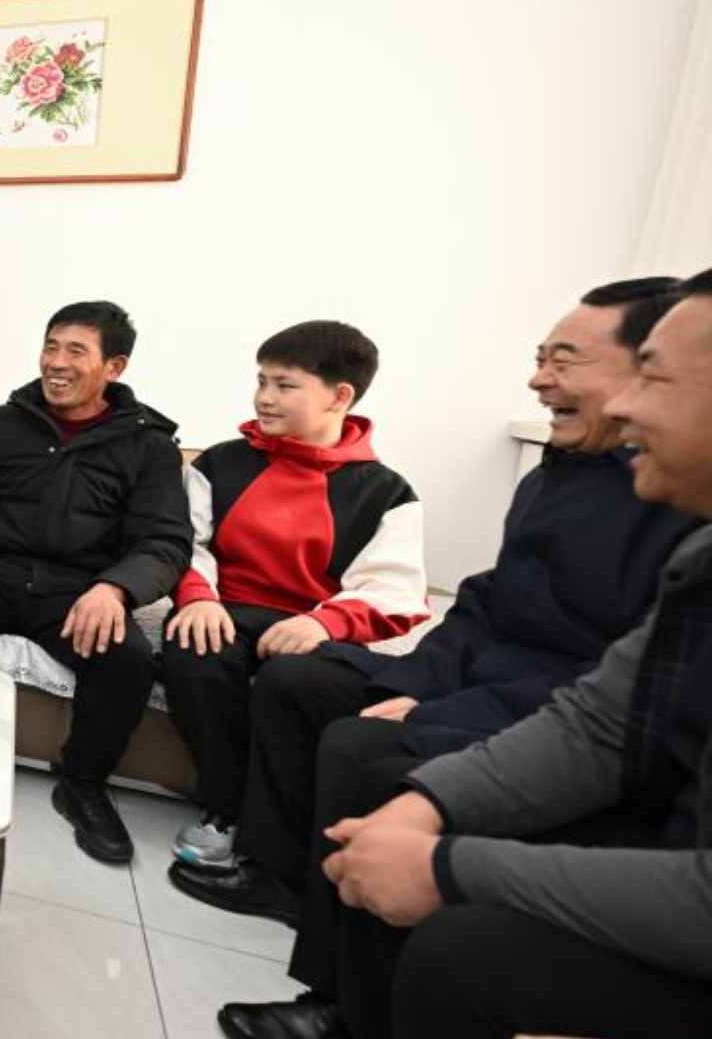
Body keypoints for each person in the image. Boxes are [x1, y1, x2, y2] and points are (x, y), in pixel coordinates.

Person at [218, 269, 712, 1039]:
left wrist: (441, 827)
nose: (538, 380)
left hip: (526, 709)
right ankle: (290, 884)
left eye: (649, 375)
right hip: (483, 684)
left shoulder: (666, 511)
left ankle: (342, 999)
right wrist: (421, 686)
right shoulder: (562, 479)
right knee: (296, 686)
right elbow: (496, 614)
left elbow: (594, 693)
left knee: (367, 756)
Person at [0, 301, 191, 865]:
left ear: (114, 367)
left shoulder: (148, 446)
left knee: (126, 658)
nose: (56, 362)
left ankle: (82, 784)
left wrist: (115, 589)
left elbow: (165, 541)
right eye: (51, 347)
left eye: (76, 351)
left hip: (78, 589)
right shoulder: (3, 423)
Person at [162, 321, 428, 871]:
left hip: (313, 624)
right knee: (193, 652)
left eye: (285, 385)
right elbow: (185, 542)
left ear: (340, 396)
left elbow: (393, 589)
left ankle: (281, 826)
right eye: (261, 381)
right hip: (226, 611)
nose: (264, 397)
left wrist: (325, 624)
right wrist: (198, 598)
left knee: (298, 685)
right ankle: (228, 807)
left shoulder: (388, 492)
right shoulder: (220, 463)